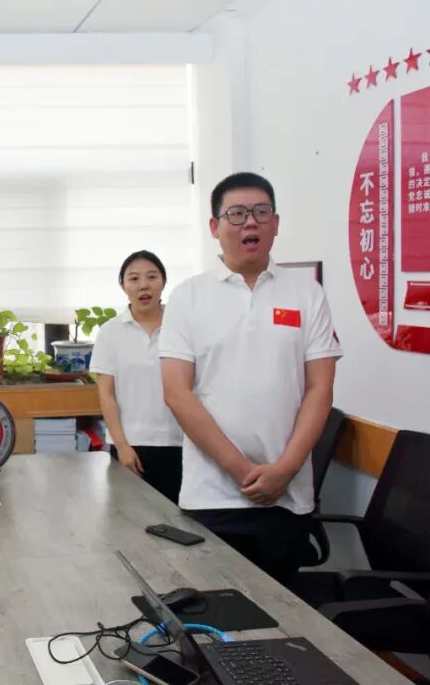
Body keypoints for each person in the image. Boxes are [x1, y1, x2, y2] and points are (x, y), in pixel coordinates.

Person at [159, 172, 342, 586]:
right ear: (215, 226)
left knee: (286, 612)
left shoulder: (306, 293)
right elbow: (176, 393)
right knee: (217, 611)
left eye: (261, 212)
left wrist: (285, 469)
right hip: (212, 495)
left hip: (287, 496)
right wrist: (242, 471)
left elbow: (320, 389)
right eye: (237, 214)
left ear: (275, 224)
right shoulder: (189, 296)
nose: (250, 222)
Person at [90, 250, 184, 504]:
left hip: (179, 443)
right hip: (129, 446)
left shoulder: (182, 327)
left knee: (179, 520)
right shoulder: (110, 332)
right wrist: (122, 446)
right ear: (123, 285)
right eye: (134, 279)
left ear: (163, 282)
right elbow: (106, 395)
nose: (143, 285)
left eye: (151, 277)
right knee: (129, 518)